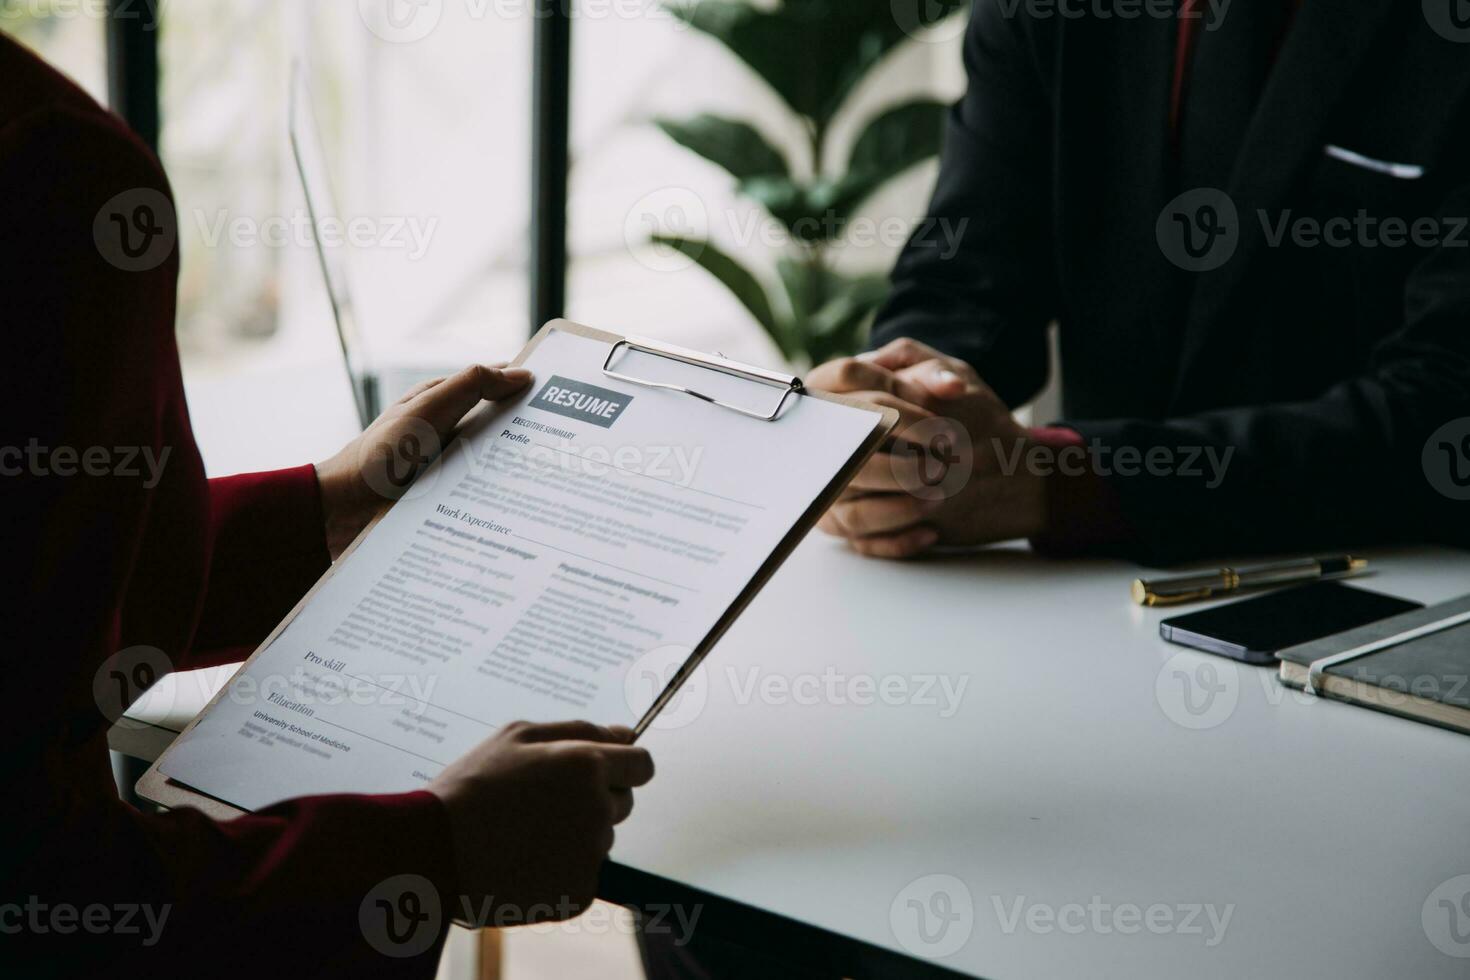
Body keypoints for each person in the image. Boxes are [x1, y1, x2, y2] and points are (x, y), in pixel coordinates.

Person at [1, 34, 653, 978]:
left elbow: (29, 604)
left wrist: (323, 516)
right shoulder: (48, 166)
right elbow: (43, 896)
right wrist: (429, 856)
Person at [808, 0, 1470, 566]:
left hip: (1392, 599)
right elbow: (964, 281)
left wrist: (1065, 481)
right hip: (1089, 616)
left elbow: (1446, 408)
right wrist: (897, 412)